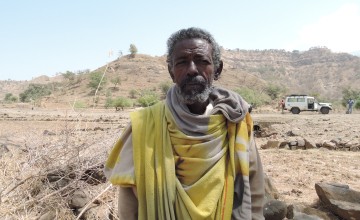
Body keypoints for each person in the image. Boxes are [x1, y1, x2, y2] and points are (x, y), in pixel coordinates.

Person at [105, 27, 265, 220]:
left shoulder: (235, 122)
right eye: (182, 62)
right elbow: (129, 199)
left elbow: (253, 187)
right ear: (171, 71)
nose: (191, 70)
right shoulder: (145, 124)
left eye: (201, 61)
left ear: (217, 70)